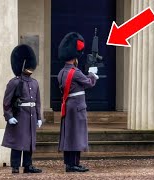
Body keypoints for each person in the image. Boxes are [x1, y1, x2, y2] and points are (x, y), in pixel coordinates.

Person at [57, 32, 98, 172]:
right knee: (77, 136)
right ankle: (73, 164)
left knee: (69, 136)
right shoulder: (75, 72)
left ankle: (70, 163)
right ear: (75, 58)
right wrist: (93, 73)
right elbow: (89, 83)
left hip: (68, 105)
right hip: (77, 108)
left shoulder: (62, 72)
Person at [2, 44, 43, 174]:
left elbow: (37, 103)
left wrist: (39, 117)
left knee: (29, 142)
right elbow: (7, 102)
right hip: (20, 115)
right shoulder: (14, 82)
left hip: (31, 116)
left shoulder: (34, 82)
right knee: (17, 142)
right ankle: (15, 166)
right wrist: (9, 116)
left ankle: (28, 165)